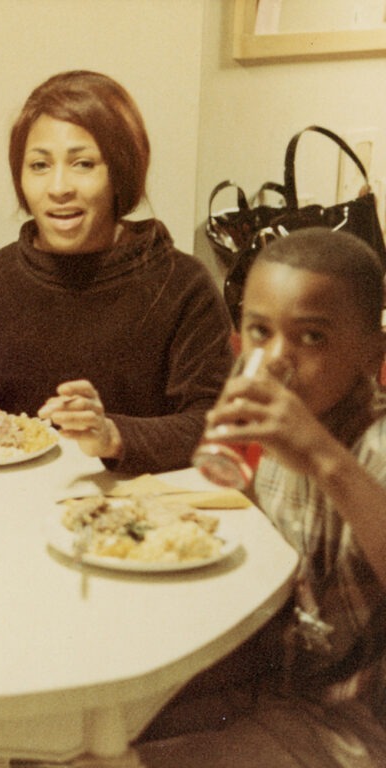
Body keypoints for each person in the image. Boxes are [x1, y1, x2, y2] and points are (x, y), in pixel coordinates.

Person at [0, 70, 233, 474]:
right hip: (5, 507)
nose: (58, 187)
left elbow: (211, 426)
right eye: (39, 165)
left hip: (132, 512)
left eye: (83, 164)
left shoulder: (183, 286)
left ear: (120, 173)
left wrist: (112, 435)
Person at [136, 228, 386, 766]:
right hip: (274, 684)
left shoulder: (373, 443)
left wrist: (324, 459)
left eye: (311, 337)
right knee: (100, 731)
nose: (276, 359)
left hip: (355, 723)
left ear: (374, 353)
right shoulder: (275, 429)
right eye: (259, 332)